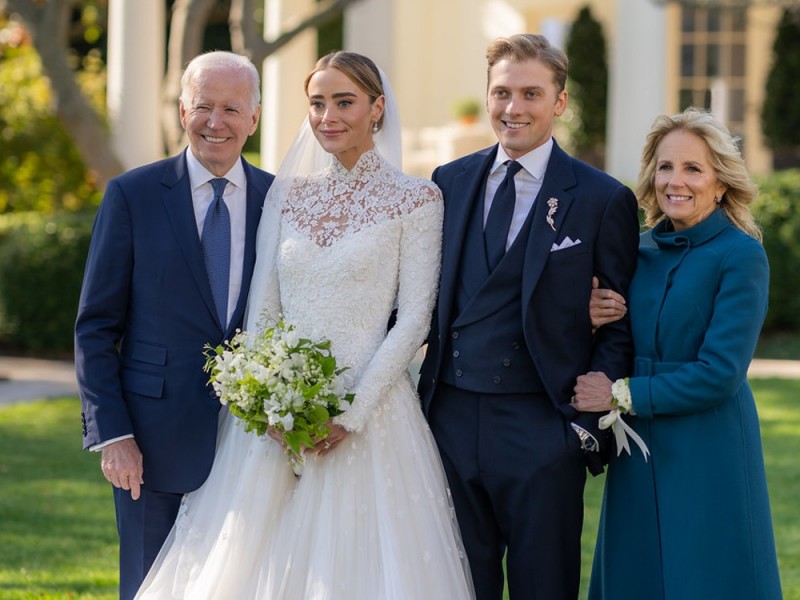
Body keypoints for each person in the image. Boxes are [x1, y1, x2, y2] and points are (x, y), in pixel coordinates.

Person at [134, 51, 475, 599]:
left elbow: (414, 318)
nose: (327, 116)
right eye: (317, 103)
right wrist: (268, 400)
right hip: (274, 422)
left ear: (377, 108)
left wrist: (352, 412)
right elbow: (264, 312)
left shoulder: (418, 199)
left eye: (344, 102)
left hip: (372, 417)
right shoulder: (286, 196)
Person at [417, 33, 640, 600]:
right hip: (448, 418)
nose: (513, 108)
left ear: (559, 103)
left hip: (542, 424)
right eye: (501, 93)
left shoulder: (601, 198)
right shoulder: (449, 182)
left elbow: (618, 325)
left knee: (546, 587)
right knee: (459, 584)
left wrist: (580, 431)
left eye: (531, 94)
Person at [74, 51, 274, 600]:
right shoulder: (132, 196)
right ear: (182, 110)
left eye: (231, 108)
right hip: (150, 440)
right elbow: (95, 326)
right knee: (149, 585)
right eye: (203, 106)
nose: (216, 122)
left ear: (254, 118)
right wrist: (113, 435)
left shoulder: (280, 201)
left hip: (253, 443)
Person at [576, 108, 783, 599]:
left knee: (705, 573)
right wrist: (590, 317)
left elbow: (720, 373)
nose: (676, 181)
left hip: (707, 447)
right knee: (636, 570)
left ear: (720, 182)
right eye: (666, 166)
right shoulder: (636, 250)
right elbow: (617, 340)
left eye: (693, 168)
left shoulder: (742, 255)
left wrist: (620, 393)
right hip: (638, 448)